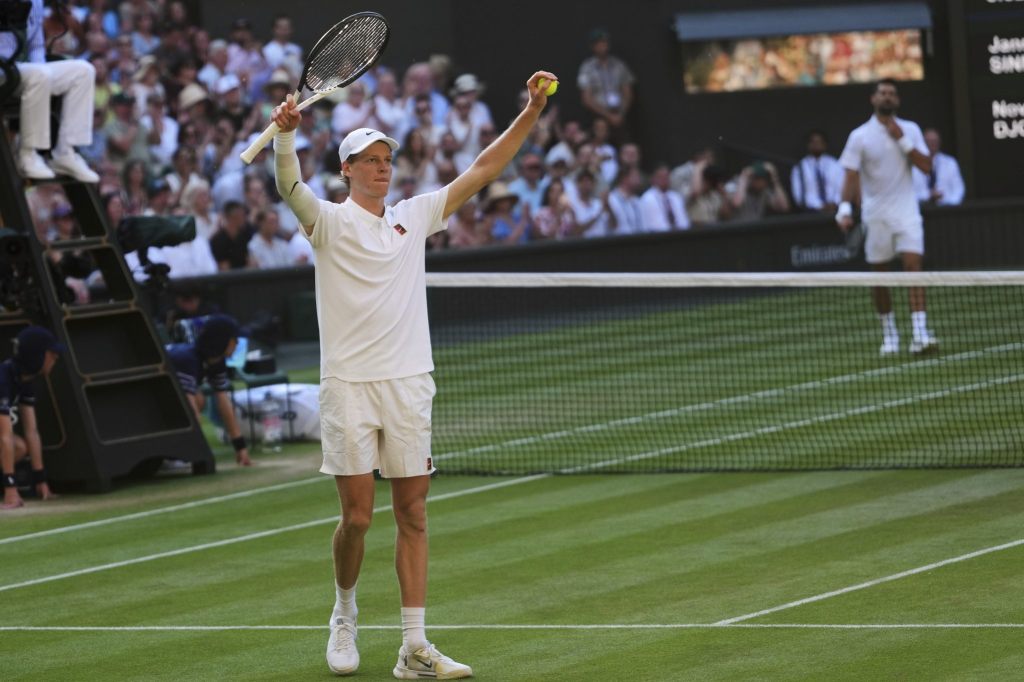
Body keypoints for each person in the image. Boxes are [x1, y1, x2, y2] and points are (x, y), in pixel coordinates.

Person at [270, 68, 559, 679]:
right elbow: (289, 185)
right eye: (369, 160)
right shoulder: (325, 221)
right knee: (355, 517)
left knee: (414, 514)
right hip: (348, 384)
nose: (382, 167)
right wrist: (284, 137)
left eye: (386, 159)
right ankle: (344, 612)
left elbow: (484, 169)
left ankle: (413, 647)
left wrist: (531, 108)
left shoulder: (414, 216)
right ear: (346, 170)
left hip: (408, 384)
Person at [837, 78, 938, 356]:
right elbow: (851, 175)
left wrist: (902, 139)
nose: (887, 97)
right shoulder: (859, 136)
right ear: (873, 99)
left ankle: (919, 333)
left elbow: (926, 166)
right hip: (876, 215)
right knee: (880, 277)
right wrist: (844, 209)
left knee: (913, 266)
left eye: (892, 93)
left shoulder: (911, 129)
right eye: (883, 93)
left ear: (898, 100)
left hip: (907, 212)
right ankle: (890, 334)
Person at [0, 0, 99, 182]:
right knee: (40, 74)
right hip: (2, 71)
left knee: (84, 71)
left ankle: (65, 152)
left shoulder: (36, 2)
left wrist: (44, 77)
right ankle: (28, 154)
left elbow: (36, 46)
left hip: (22, 70)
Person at [165, 314, 252, 466]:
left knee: (199, 399)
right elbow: (189, 409)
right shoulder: (186, 359)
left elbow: (223, 401)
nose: (237, 344)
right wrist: (200, 452)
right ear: (222, 341)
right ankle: (173, 455)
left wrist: (240, 446)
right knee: (197, 400)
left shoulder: (217, 362)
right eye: (234, 340)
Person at [2, 326, 62, 509]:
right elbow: (3, 437)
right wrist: (10, 488)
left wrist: (40, 479)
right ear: (37, 355)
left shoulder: (26, 379)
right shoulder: (2, 379)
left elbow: (32, 431)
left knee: (20, 446)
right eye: (51, 353)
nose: (55, 358)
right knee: (12, 443)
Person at [577, 28, 635, 143]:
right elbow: (586, 98)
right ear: (593, 46)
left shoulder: (619, 65)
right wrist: (608, 116)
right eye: (598, 43)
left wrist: (620, 114)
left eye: (604, 42)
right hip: (599, 116)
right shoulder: (587, 68)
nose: (602, 46)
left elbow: (627, 91)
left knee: (625, 144)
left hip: (620, 114)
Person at [790, 130, 844, 213]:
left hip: (836, 210)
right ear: (808, 145)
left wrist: (835, 203)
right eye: (813, 142)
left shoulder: (836, 164)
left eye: (819, 142)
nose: (816, 144)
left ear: (825, 144)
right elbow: (798, 195)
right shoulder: (799, 167)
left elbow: (842, 187)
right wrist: (820, 206)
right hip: (811, 213)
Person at [912, 128, 965, 206]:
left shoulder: (950, 162)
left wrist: (950, 205)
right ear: (923, 142)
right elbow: (909, 193)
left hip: (946, 210)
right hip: (921, 209)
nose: (932, 144)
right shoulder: (913, 164)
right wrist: (928, 196)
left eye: (935, 141)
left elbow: (959, 189)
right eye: (929, 141)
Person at [640, 163, 689, 231]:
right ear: (653, 179)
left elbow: (684, 222)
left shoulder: (676, 197)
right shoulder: (647, 198)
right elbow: (654, 225)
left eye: (666, 176)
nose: (664, 179)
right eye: (660, 177)